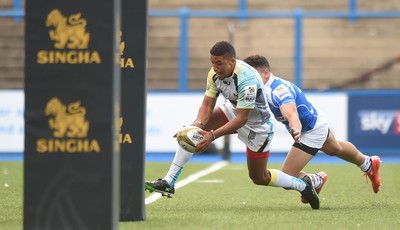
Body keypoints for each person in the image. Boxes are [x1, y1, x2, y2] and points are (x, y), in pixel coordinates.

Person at [145, 41, 321, 209]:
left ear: (232, 61)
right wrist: (196, 125)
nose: (215, 67)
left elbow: (242, 119)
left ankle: (303, 185)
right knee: (191, 132)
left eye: (219, 63)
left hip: (257, 125)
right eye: (212, 62)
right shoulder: (213, 74)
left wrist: (212, 136)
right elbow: (207, 105)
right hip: (233, 110)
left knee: (259, 177)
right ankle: (168, 182)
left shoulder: (247, 78)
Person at [243, 54, 381, 203]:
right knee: (335, 149)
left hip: (310, 131)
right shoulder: (261, 87)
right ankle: (368, 163)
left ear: (266, 73)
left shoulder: (277, 90)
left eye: (254, 75)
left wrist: (295, 127)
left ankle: (316, 180)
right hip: (316, 121)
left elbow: (291, 113)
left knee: (287, 175)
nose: (251, 79)